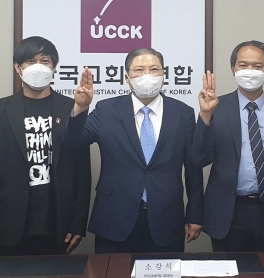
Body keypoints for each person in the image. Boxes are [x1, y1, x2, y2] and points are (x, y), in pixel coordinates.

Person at [67, 48, 204, 253]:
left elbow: (193, 167)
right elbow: (73, 144)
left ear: (164, 75)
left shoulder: (183, 113)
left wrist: (194, 213)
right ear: (127, 78)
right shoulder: (106, 110)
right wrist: (80, 110)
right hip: (114, 216)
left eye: (154, 69)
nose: (147, 75)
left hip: (166, 218)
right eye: (139, 70)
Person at [0, 36, 91, 256]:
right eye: (30, 61)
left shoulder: (71, 108)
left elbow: (82, 171)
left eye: (44, 61)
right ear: (18, 68)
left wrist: (78, 223)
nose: (38, 67)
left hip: (57, 224)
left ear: (54, 67)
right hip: (9, 224)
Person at [193, 41, 264, 252]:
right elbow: (199, 159)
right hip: (229, 212)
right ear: (233, 69)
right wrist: (205, 116)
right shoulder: (217, 107)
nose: (250, 71)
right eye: (243, 65)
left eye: (257, 66)